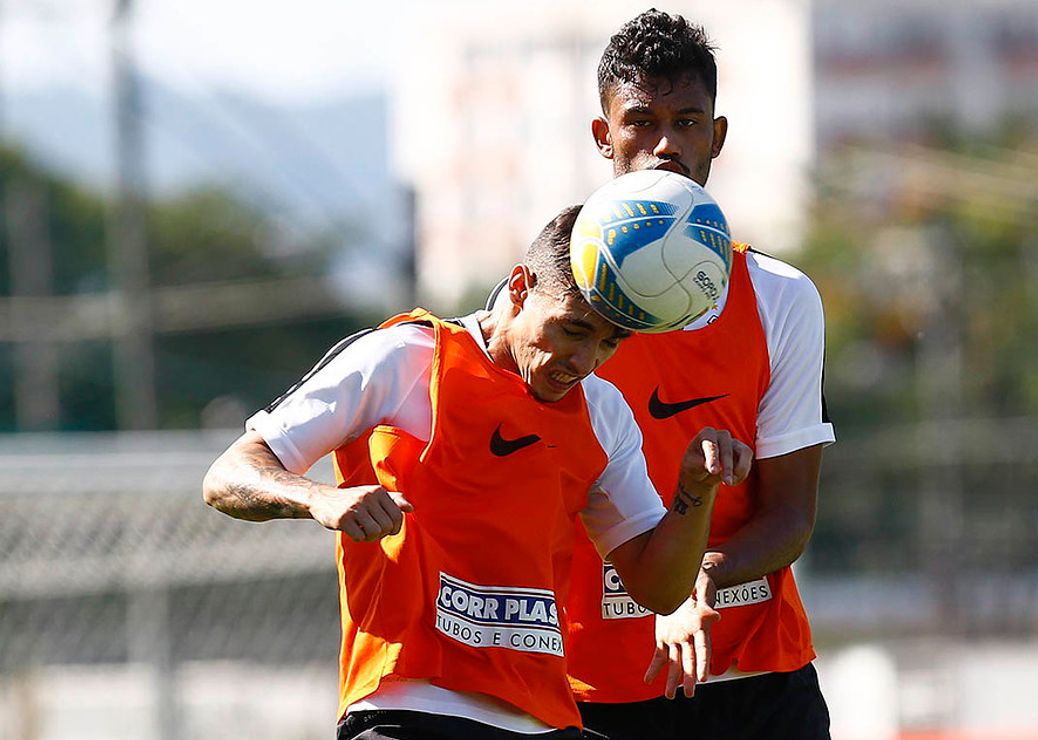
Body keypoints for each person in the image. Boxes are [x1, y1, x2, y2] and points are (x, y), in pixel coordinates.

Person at [202, 205, 753, 740]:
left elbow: (659, 587)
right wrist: (317, 497)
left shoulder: (602, 411)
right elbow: (229, 474)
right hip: (408, 707)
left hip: (542, 717)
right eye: (572, 330)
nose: (584, 361)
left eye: (609, 343)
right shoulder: (405, 358)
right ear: (519, 287)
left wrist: (693, 491)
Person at [566, 10, 836, 740]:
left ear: (716, 137)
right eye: (640, 122)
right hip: (599, 688)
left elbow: (789, 515)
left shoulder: (779, 296)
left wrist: (698, 579)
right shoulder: (549, 308)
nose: (664, 145)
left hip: (755, 677)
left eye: (687, 122)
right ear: (603, 136)